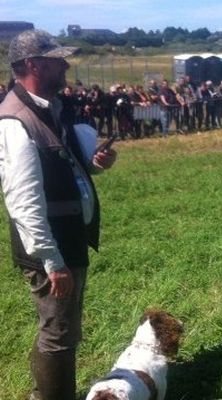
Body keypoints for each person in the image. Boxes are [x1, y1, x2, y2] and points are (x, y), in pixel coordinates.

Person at [0, 29, 117, 400]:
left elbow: (64, 169)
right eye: (57, 59)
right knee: (59, 333)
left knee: (62, 329)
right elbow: (22, 200)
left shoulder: (50, 109)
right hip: (52, 245)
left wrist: (94, 164)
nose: (66, 65)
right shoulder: (16, 121)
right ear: (34, 64)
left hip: (66, 236)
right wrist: (52, 260)